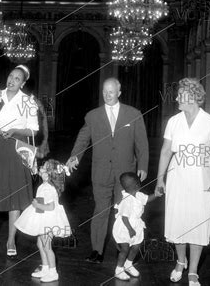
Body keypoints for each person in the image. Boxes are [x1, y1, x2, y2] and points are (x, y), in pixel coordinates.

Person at [66, 77, 149, 263]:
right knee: (100, 210)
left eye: (111, 91)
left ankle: (123, 249)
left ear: (119, 93)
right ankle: (97, 250)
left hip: (126, 175)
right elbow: (82, 139)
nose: (107, 95)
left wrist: (143, 166)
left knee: (124, 212)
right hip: (101, 171)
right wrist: (74, 157)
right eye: (104, 91)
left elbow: (142, 143)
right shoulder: (92, 116)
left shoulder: (133, 114)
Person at [155, 78, 210, 286]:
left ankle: (193, 271)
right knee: (178, 223)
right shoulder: (173, 122)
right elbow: (166, 151)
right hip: (177, 178)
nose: (177, 98)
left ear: (193, 97)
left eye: (180, 95)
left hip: (202, 181)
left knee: (197, 224)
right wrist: (160, 179)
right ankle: (180, 261)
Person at [0, 65, 39, 259]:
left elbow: (33, 130)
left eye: (17, 78)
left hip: (16, 149)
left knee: (15, 197)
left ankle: (11, 240)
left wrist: (14, 131)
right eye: (11, 76)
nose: (12, 80)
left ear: (23, 83)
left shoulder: (28, 101)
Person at [15, 159, 71, 283]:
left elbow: (51, 207)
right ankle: (45, 268)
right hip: (43, 218)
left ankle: (53, 271)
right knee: (40, 244)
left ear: (49, 174)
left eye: (44, 168)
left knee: (47, 246)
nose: (40, 168)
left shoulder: (48, 188)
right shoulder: (44, 185)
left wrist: (37, 206)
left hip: (49, 220)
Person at [112, 172, 161, 280]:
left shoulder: (138, 195)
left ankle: (128, 264)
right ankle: (119, 269)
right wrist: (130, 230)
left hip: (136, 225)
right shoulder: (126, 200)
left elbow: (147, 199)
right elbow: (124, 218)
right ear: (136, 185)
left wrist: (156, 195)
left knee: (136, 246)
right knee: (124, 249)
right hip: (125, 227)